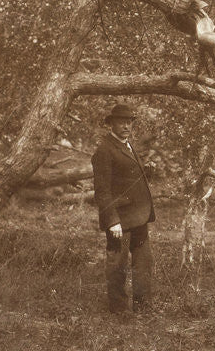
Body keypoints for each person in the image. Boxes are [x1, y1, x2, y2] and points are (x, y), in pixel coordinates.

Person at [91, 103, 155, 314]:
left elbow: (128, 178)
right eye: (121, 122)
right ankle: (118, 311)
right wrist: (112, 221)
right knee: (117, 266)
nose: (126, 126)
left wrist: (146, 170)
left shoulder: (127, 145)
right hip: (120, 220)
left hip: (139, 217)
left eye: (129, 122)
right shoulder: (104, 150)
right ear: (111, 124)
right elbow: (102, 190)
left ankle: (143, 307)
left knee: (143, 263)